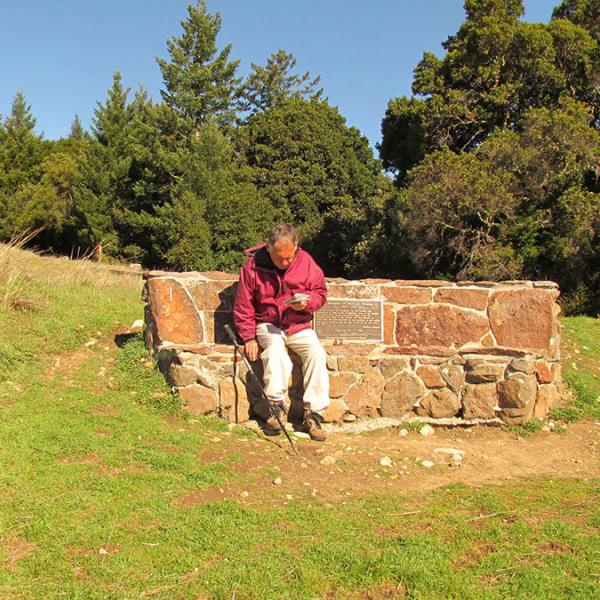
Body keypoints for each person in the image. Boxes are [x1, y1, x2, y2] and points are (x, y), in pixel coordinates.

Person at [233, 223, 329, 441]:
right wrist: (248, 336)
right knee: (276, 350)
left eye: (290, 257)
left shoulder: (306, 262)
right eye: (280, 258)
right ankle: (276, 407)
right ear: (268, 248)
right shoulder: (252, 266)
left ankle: (314, 414)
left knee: (316, 353)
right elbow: (243, 304)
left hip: (298, 324)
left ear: (296, 247)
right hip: (268, 323)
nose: (285, 263)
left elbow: (320, 293)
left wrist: (306, 303)